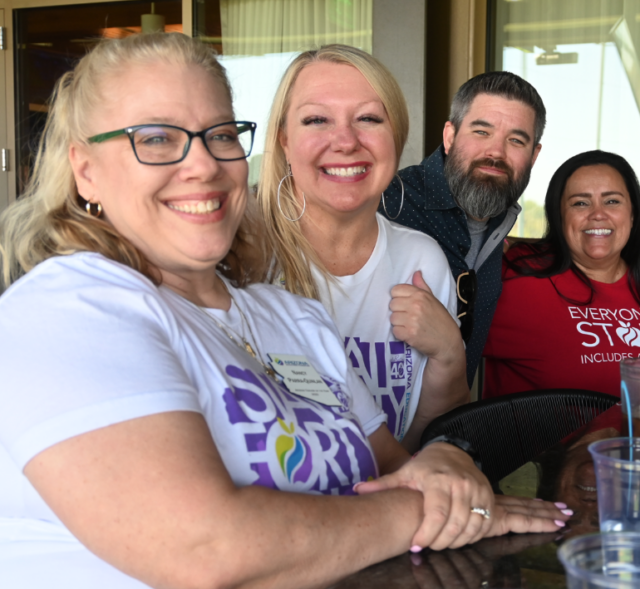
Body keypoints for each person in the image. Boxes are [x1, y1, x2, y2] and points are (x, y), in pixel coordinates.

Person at [0, 33, 565, 588]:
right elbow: (205, 551)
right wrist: (421, 511)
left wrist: (451, 471)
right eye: (156, 138)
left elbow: (399, 464)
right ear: (85, 169)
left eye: (219, 135)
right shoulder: (65, 309)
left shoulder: (288, 317)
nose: (201, 165)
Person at [257, 46, 466, 450]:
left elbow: (423, 445)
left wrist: (449, 354)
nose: (346, 141)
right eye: (317, 119)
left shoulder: (421, 261)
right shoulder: (246, 263)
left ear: (396, 137)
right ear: (284, 140)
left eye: (368, 118)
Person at [381, 72, 545, 385]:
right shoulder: (389, 204)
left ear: (534, 156)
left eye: (516, 140)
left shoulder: (496, 217)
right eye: (481, 131)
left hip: (443, 429)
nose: (496, 152)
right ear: (450, 136)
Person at [483, 151, 640, 399]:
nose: (598, 214)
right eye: (580, 203)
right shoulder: (516, 276)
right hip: (548, 438)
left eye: (612, 201)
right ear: (559, 216)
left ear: (632, 215)